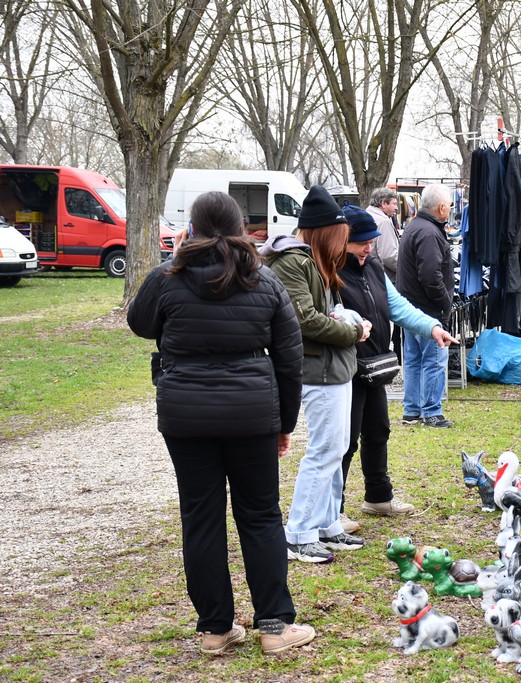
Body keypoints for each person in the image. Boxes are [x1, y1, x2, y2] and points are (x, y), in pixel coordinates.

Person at [127, 191, 316, 655]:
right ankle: (274, 625)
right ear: (240, 228)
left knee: (201, 517)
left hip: (186, 416)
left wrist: (174, 268)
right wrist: (285, 423)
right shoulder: (264, 280)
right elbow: (290, 359)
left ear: (191, 228)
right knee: (260, 515)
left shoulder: (167, 278)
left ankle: (215, 627)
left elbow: (141, 323)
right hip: (252, 415)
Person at [260, 186, 370, 564]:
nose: (343, 247)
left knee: (336, 447)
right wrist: (352, 331)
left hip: (332, 367)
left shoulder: (312, 261)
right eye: (339, 237)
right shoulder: (292, 261)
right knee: (325, 449)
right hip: (316, 370)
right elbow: (303, 320)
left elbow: (319, 313)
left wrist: (348, 323)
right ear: (324, 233)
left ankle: (326, 523)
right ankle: (299, 532)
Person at [335, 205, 458, 526]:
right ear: (342, 240)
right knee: (345, 441)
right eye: (361, 243)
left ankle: (378, 497)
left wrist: (431, 327)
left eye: (371, 242)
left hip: (374, 365)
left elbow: (397, 306)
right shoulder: (331, 272)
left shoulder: (373, 267)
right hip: (346, 369)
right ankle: (334, 509)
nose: (368, 248)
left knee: (378, 431)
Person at [396, 183, 455, 428]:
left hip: (411, 307)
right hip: (427, 309)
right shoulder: (429, 232)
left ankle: (412, 410)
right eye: (449, 205)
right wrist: (445, 301)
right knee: (433, 359)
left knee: (413, 359)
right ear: (441, 207)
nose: (450, 209)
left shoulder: (415, 226)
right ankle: (431, 411)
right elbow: (431, 276)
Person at [365, 187, 404, 360]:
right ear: (383, 203)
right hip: (385, 278)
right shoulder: (384, 222)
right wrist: (405, 270)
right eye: (394, 204)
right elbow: (389, 256)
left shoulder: (368, 215)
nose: (396, 208)